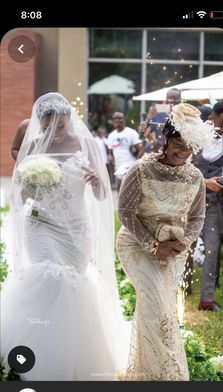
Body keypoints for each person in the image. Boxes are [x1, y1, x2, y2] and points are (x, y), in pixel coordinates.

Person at [1, 93, 129, 381]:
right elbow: (21, 194)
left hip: (76, 229)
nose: (52, 134)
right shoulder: (34, 146)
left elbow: (100, 194)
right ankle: (35, 348)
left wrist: (97, 182)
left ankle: (69, 350)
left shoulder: (88, 145)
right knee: (49, 276)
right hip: (41, 223)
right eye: (46, 128)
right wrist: (30, 190)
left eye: (58, 127)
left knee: (72, 287)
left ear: (69, 120)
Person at [116, 103, 214, 381]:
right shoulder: (140, 169)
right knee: (155, 303)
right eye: (178, 146)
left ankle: (158, 372)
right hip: (137, 244)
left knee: (161, 308)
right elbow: (124, 212)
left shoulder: (195, 176)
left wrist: (183, 243)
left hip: (174, 249)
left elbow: (197, 217)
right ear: (167, 139)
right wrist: (152, 244)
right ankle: (153, 375)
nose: (182, 154)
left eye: (189, 149)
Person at [192, 101, 223, 311]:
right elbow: (181, 169)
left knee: (212, 248)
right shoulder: (193, 136)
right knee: (183, 246)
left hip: (214, 202)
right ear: (211, 118)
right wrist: (204, 182)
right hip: (188, 200)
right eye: (220, 125)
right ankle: (182, 288)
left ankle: (207, 300)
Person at [108, 112, 142, 192]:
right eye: (115, 118)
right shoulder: (111, 136)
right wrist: (110, 157)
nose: (117, 120)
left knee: (129, 192)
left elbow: (140, 149)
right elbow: (110, 152)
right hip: (118, 168)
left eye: (119, 118)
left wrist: (135, 164)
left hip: (129, 167)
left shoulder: (131, 132)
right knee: (119, 192)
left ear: (124, 120)